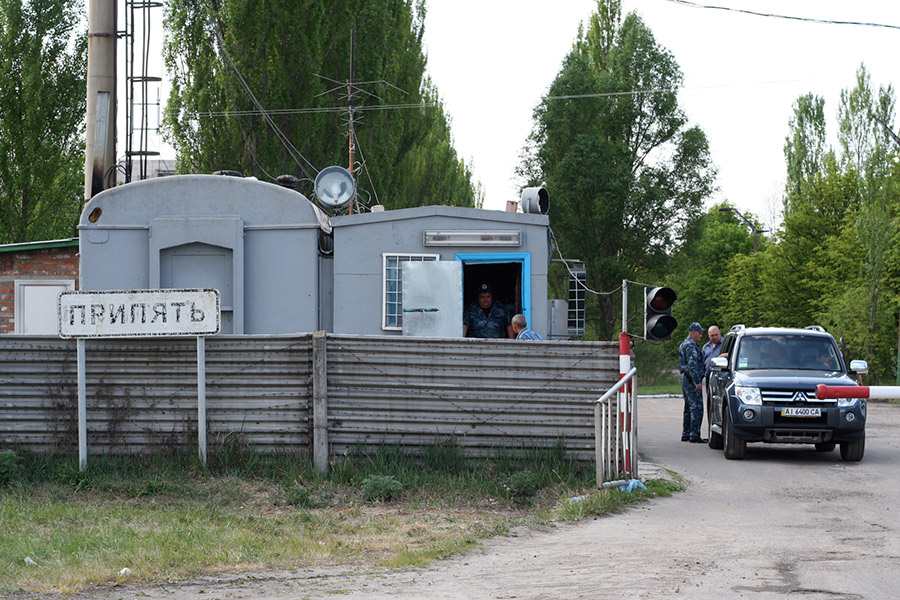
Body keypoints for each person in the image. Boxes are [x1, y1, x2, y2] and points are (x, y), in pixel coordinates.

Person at [678, 322, 707, 443]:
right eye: (699, 333)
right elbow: (692, 365)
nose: (701, 335)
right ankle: (694, 434)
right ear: (693, 333)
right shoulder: (691, 345)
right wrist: (697, 382)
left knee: (688, 406)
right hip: (691, 379)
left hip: (686, 378)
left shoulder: (684, 344)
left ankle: (686, 433)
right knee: (697, 407)